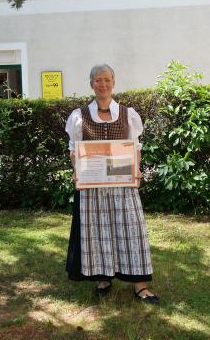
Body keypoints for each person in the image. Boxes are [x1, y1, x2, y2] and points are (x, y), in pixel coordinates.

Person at [65, 63, 159, 304]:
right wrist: (77, 170)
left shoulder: (128, 114)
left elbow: (135, 148)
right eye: (98, 80)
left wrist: (137, 172)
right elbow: (74, 150)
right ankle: (103, 278)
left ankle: (140, 285)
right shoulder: (79, 116)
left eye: (107, 80)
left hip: (122, 183)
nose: (103, 84)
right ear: (91, 84)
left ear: (113, 83)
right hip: (92, 186)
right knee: (97, 232)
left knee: (132, 230)